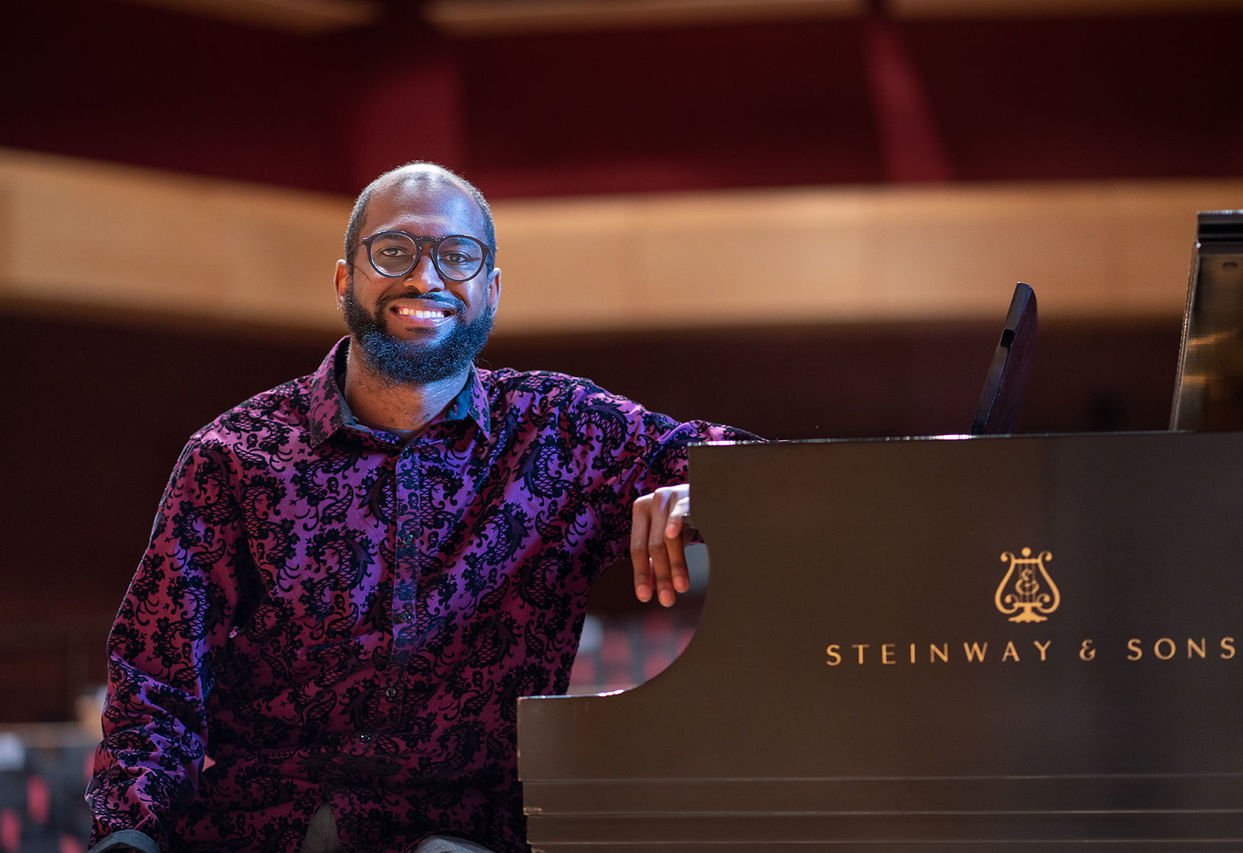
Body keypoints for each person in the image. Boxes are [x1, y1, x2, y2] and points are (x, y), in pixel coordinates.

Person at [86, 162, 757, 853]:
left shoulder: (565, 430)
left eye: (457, 255)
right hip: (267, 826)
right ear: (346, 278)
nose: (425, 278)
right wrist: (130, 831)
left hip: (471, 833)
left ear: (490, 291)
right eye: (394, 251)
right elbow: (154, 676)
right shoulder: (233, 456)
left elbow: (779, 476)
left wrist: (705, 490)